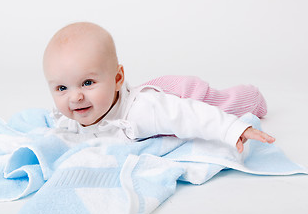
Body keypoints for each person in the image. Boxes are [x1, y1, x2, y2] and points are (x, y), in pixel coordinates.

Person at [43, 22, 275, 153]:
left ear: (117, 78)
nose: (75, 97)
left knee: (225, 105)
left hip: (182, 95)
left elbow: (190, 115)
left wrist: (233, 130)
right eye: (62, 88)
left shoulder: (145, 111)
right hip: (146, 94)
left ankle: (252, 97)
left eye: (87, 83)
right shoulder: (72, 116)